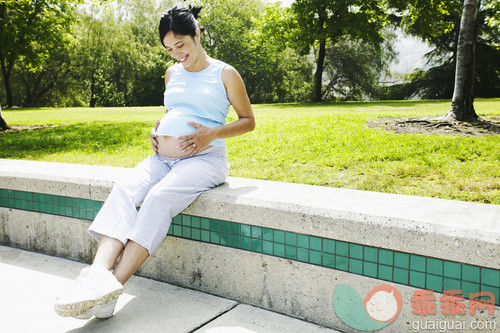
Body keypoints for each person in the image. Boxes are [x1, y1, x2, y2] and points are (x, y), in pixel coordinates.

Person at [54, 5, 255, 319]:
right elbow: (174, 112)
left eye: (181, 45)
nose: (176, 54)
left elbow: (248, 121)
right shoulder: (172, 73)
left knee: (158, 199)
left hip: (205, 159)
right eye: (169, 48)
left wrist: (211, 134)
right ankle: (96, 276)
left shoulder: (224, 73)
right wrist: (158, 130)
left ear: (197, 34)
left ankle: (110, 287)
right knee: (123, 190)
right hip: (162, 158)